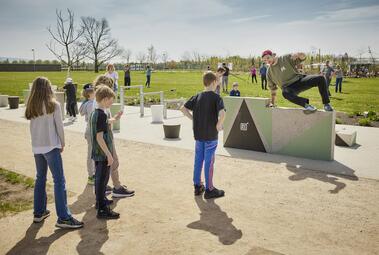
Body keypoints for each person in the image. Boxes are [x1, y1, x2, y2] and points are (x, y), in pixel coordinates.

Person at [25, 77, 84, 229]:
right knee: (59, 181)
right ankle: (63, 217)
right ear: (47, 88)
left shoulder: (31, 105)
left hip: (37, 147)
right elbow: (60, 127)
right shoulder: (54, 105)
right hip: (51, 146)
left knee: (40, 178)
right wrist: (62, 143)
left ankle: (39, 212)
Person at [181, 72, 226, 199]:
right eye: (217, 82)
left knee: (198, 160)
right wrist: (219, 124)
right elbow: (223, 114)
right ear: (213, 83)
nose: (218, 83)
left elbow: (183, 109)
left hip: (199, 134)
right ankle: (209, 189)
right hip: (211, 135)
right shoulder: (217, 97)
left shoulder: (197, 96)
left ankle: (197, 185)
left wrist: (193, 119)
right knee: (209, 162)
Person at [93, 75, 135, 198]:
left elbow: (104, 121)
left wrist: (115, 118)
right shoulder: (98, 107)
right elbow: (100, 126)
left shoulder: (99, 105)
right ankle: (116, 187)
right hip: (104, 138)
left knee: (103, 165)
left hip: (104, 136)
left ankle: (104, 188)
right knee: (112, 161)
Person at [262, 49, 333, 113]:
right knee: (285, 93)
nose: (267, 61)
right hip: (289, 88)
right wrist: (273, 103)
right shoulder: (269, 73)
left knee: (320, 78)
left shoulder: (285, 58)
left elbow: (302, 58)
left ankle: (326, 104)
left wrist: (300, 54)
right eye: (265, 60)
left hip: (299, 80)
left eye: (268, 58)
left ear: (273, 55)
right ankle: (306, 105)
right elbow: (273, 89)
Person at [90, 85, 120, 219]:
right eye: (110, 100)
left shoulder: (96, 113)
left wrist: (115, 119)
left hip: (97, 153)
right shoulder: (101, 115)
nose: (112, 103)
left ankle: (100, 201)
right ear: (104, 99)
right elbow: (99, 137)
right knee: (102, 180)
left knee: (99, 179)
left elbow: (106, 122)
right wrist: (109, 155)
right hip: (103, 154)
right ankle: (102, 209)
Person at [79, 84, 96, 185]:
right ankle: (91, 175)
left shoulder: (88, 103)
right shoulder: (90, 104)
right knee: (91, 154)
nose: (95, 92)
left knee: (92, 154)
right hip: (92, 131)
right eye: (93, 91)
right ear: (89, 94)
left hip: (89, 130)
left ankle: (93, 173)